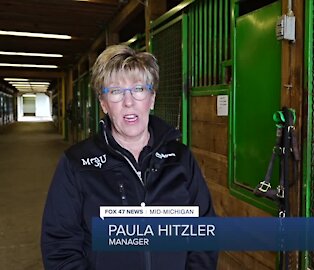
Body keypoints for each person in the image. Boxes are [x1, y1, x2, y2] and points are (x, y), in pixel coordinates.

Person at [41, 44, 217, 269]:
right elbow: (60, 247)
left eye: (138, 89)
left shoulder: (181, 159)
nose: (128, 101)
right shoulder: (76, 163)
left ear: (152, 98)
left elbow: (204, 232)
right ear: (103, 103)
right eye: (115, 91)